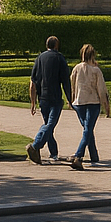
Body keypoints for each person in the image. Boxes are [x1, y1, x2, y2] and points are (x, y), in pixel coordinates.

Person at [27, 35, 72, 165]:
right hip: (55, 97)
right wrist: (69, 98)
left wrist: (33, 102)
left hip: (43, 98)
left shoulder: (39, 58)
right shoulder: (59, 58)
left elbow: (33, 82)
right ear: (56, 45)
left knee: (48, 125)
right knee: (50, 124)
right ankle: (35, 145)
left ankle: (54, 153)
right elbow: (65, 81)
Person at [69, 44, 111, 169]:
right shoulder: (95, 70)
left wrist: (71, 100)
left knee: (88, 128)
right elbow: (101, 90)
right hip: (92, 102)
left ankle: (94, 155)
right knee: (88, 129)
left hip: (79, 102)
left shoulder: (76, 68)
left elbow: (72, 86)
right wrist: (106, 106)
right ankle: (79, 155)